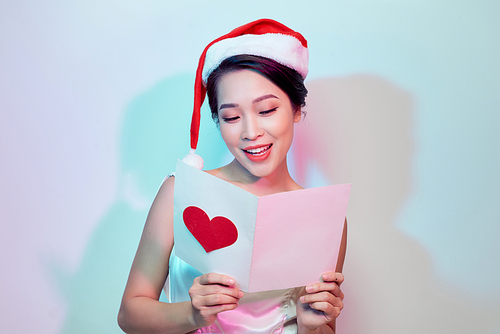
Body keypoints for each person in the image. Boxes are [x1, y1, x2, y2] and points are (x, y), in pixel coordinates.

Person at [118, 19, 347, 334]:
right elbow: (129, 315)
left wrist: (311, 326)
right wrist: (193, 315)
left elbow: (323, 327)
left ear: (295, 108)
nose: (251, 133)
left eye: (266, 111)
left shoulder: (323, 216)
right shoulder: (180, 191)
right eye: (231, 117)